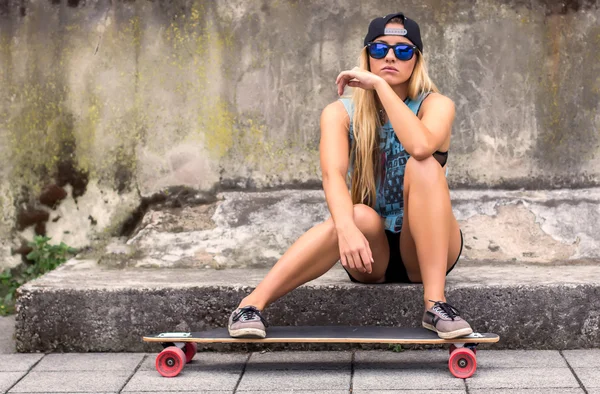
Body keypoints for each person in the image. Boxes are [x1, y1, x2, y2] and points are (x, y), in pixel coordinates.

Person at [227, 12, 472, 340]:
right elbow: (333, 175)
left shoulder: (437, 104)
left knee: (424, 165)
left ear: (417, 60)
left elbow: (421, 146)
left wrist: (380, 86)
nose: (389, 57)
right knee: (357, 214)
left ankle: (435, 304)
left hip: (429, 243)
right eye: (379, 49)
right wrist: (346, 229)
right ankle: (251, 305)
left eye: (402, 51)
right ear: (366, 55)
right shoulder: (339, 113)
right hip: (371, 247)